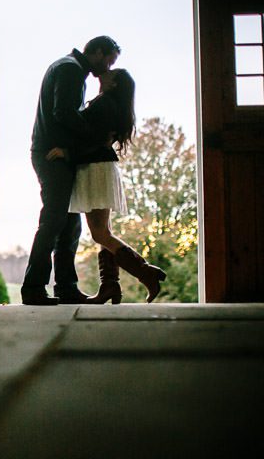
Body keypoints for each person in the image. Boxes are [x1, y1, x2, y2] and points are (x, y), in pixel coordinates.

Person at [46, 68, 167, 303]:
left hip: (95, 168)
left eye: (112, 73)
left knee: (100, 234)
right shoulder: (111, 104)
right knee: (105, 232)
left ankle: (145, 273)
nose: (106, 72)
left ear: (113, 84)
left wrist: (66, 151)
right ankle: (110, 286)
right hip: (101, 168)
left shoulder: (104, 105)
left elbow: (93, 139)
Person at [21, 36, 121, 306]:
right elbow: (63, 113)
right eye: (110, 59)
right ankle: (33, 287)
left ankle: (66, 287)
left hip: (56, 154)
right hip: (51, 155)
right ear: (98, 52)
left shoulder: (68, 67)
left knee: (70, 223)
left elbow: (66, 113)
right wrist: (95, 137)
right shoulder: (71, 69)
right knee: (54, 220)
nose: (110, 67)